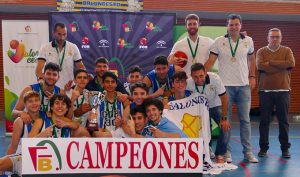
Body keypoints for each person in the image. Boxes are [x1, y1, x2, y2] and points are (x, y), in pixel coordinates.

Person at [204, 14, 258, 163]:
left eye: (236, 24)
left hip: (244, 86)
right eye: (231, 24)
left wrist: (252, 76)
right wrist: (200, 76)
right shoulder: (219, 41)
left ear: (240, 25)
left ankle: (247, 152)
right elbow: (211, 60)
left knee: (245, 120)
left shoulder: (248, 41)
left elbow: (251, 59)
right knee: (225, 120)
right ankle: (227, 153)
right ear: (227, 25)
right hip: (225, 87)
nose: (234, 27)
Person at [256, 28, 295, 158]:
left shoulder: (287, 50)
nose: (274, 39)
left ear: (281, 38)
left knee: (283, 122)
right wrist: (281, 66)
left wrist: (271, 63)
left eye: (277, 37)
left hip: (283, 91)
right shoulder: (261, 51)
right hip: (265, 92)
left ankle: (285, 149)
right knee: (264, 121)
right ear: (268, 38)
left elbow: (291, 63)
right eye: (272, 37)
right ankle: (263, 148)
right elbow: (260, 66)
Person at [187, 63, 231, 163]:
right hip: (200, 108)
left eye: (201, 76)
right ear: (191, 76)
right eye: (195, 77)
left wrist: (224, 119)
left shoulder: (215, 79)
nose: (199, 80)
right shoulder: (188, 83)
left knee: (225, 127)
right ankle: (206, 149)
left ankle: (220, 153)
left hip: (216, 105)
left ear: (205, 73)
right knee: (202, 129)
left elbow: (224, 98)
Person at [36, 22, 86, 89]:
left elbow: (81, 68)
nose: (62, 37)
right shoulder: (45, 47)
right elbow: (38, 70)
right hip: (51, 88)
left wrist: (74, 81)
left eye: (64, 34)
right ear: (54, 33)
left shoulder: (73, 47)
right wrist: (42, 82)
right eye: (59, 34)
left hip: (69, 87)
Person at [6, 91, 42, 155]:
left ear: (40, 103)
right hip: (24, 155)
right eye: (30, 101)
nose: (34, 103)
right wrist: (8, 162)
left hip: (43, 155)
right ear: (25, 105)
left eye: (36, 100)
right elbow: (13, 147)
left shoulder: (47, 116)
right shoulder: (19, 121)